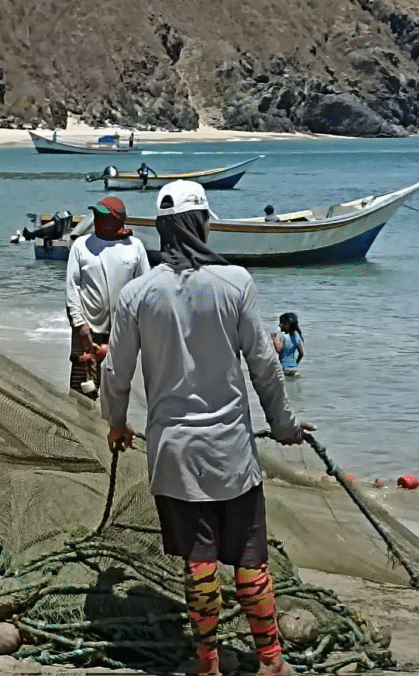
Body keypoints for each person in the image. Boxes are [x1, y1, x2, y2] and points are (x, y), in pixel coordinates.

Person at [100, 180, 313, 676]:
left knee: (198, 559)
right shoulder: (235, 282)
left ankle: (208, 664)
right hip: (232, 451)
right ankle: (270, 661)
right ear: (203, 224)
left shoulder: (137, 294)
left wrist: (115, 423)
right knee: (249, 559)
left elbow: (116, 372)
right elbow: (264, 364)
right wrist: (285, 425)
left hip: (174, 452)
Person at [65, 196, 149, 399]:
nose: (96, 220)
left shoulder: (135, 247)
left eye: (103, 216)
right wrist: (79, 324)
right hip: (85, 330)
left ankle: (112, 428)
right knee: (81, 391)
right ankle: (79, 428)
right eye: (95, 215)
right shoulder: (81, 246)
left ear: (118, 220)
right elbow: (72, 288)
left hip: (120, 332)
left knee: (115, 391)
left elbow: (145, 291)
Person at [271, 312, 305, 377]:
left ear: (287, 325)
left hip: (284, 368)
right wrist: (296, 363)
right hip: (294, 368)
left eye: (281, 323)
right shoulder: (297, 337)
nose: (279, 325)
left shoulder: (284, 337)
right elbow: (301, 353)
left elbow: (278, 350)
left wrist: (274, 338)